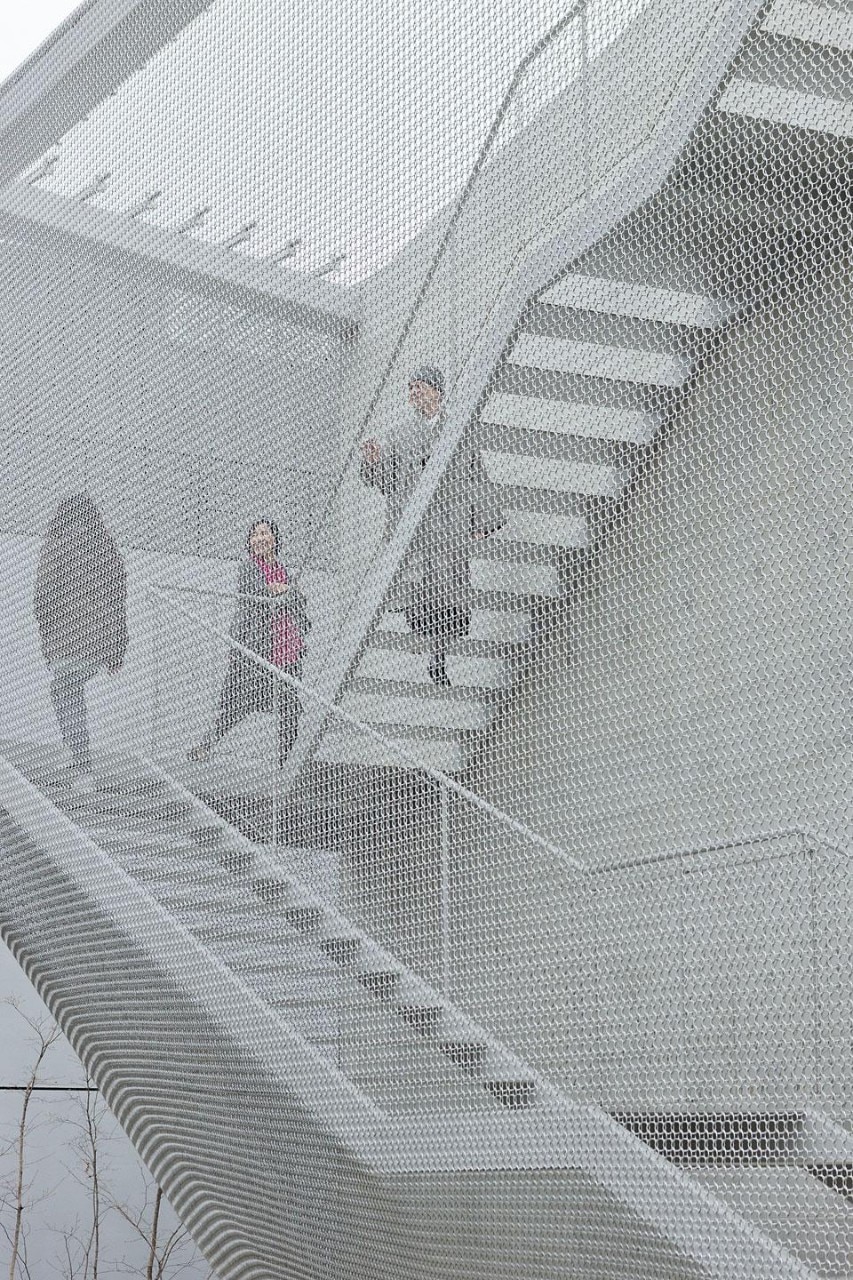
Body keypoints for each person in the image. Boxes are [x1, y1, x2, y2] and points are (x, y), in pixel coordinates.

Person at [360, 366, 502, 686]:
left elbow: (476, 474)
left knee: (449, 599)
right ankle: (431, 651)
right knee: (419, 596)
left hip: (449, 524)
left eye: (420, 386)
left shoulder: (458, 429)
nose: (415, 392)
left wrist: (484, 521)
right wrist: (372, 463)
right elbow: (386, 481)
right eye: (411, 388)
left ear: (437, 391)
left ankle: (439, 656)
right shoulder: (398, 435)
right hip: (415, 528)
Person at [187, 520, 310, 766]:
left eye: (265, 533)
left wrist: (284, 590)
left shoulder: (283, 569)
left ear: (275, 539)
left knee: (290, 709)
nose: (259, 538)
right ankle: (206, 744)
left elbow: (298, 600)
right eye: (255, 535)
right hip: (255, 647)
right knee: (240, 703)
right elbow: (257, 591)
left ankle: (283, 763)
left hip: (286, 650)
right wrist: (282, 590)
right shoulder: (249, 567)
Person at [34, 495, 128, 789]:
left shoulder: (58, 543)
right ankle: (76, 753)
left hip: (65, 636)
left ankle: (83, 767)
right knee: (72, 692)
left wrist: (46, 632)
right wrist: (117, 649)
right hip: (98, 641)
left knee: (64, 692)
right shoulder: (105, 547)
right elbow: (119, 598)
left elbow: (43, 594)